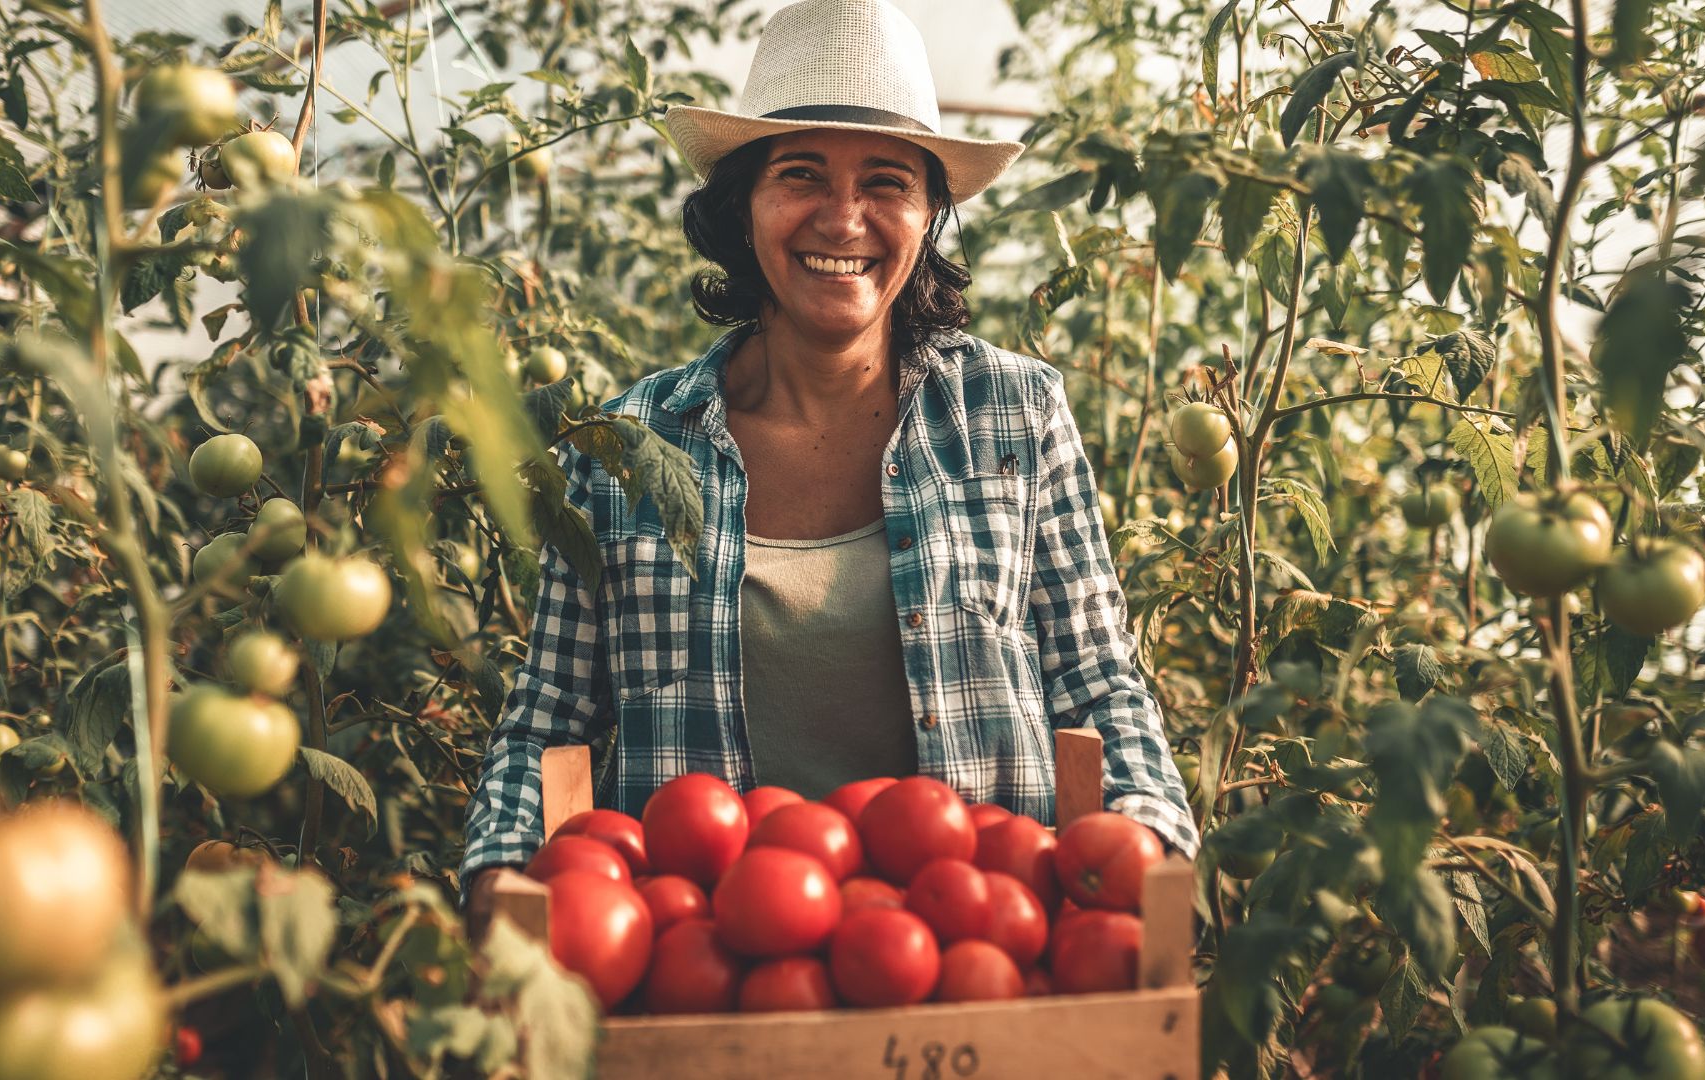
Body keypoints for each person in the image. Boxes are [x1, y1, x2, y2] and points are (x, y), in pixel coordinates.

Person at [459, 0, 1195, 915]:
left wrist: (1147, 846)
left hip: (981, 951)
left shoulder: (1013, 414)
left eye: (887, 182)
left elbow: (1096, 684)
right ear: (744, 207)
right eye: (800, 174)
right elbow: (548, 722)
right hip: (706, 961)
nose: (843, 220)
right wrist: (500, 874)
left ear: (929, 216)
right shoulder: (632, 445)